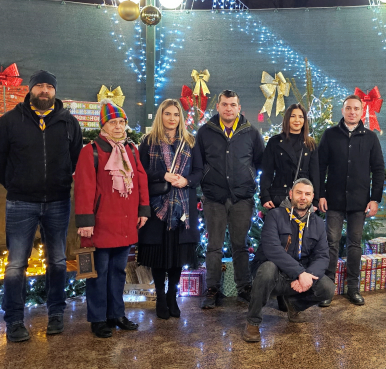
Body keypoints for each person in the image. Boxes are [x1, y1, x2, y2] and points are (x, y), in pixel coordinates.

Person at [0, 70, 83, 343]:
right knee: (16, 264)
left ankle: (56, 314)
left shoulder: (69, 123)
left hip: (58, 202)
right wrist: (14, 183)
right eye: (39, 85)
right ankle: (15, 320)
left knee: (58, 261)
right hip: (21, 203)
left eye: (49, 86)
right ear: (30, 90)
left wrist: (60, 181)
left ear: (55, 91)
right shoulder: (9, 121)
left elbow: (76, 158)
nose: (44, 90)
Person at [74, 100, 149, 338]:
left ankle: (116, 313)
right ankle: (98, 318)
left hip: (125, 223)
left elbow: (141, 180)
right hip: (100, 224)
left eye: (121, 122)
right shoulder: (91, 151)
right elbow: (84, 187)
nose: (118, 127)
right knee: (98, 272)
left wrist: (143, 210)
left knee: (118, 271)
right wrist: (85, 221)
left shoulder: (131, 150)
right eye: (112, 122)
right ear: (103, 126)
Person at [242, 179, 335, 342]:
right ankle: (253, 322)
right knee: (267, 269)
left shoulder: (318, 223)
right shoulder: (275, 216)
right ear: (291, 194)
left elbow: (322, 256)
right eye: (299, 193)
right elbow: (272, 249)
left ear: (312, 197)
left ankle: (294, 304)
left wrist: (308, 275)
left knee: (327, 288)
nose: (303, 197)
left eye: (307, 194)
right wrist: (299, 273)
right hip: (275, 273)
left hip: (300, 274)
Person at [197, 90, 264, 308]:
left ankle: (244, 287)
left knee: (240, 245)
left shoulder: (250, 132)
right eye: (225, 104)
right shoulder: (205, 132)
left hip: (241, 198)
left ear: (239, 108)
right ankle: (212, 289)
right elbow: (198, 163)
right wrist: (206, 182)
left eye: (233, 105)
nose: (228, 108)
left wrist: (249, 180)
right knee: (214, 247)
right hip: (214, 198)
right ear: (217, 106)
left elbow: (260, 162)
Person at [138, 99, 203, 319]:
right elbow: (141, 171)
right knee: (158, 256)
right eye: (168, 114)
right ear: (161, 115)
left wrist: (187, 181)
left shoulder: (190, 141)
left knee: (177, 257)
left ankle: (172, 297)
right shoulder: (149, 141)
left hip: (182, 208)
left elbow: (199, 170)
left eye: (176, 114)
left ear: (180, 118)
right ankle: (160, 298)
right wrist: (162, 175)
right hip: (156, 206)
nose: (172, 118)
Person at [318, 94, 385, 306]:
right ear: (343, 110)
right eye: (348, 108)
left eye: (356, 108)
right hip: (334, 199)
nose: (352, 112)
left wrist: (375, 199)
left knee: (355, 244)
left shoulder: (370, 138)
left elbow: (378, 169)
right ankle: (327, 288)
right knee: (331, 242)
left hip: (359, 200)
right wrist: (320, 194)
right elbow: (320, 167)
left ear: (361, 111)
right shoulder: (329, 135)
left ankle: (353, 288)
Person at [260, 103, 320, 210]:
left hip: (303, 199)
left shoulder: (310, 144)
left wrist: (315, 200)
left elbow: (315, 174)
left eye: (301, 117)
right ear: (287, 119)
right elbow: (267, 171)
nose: (297, 120)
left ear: (305, 120)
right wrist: (265, 196)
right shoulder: (275, 142)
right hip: (279, 196)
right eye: (293, 116)